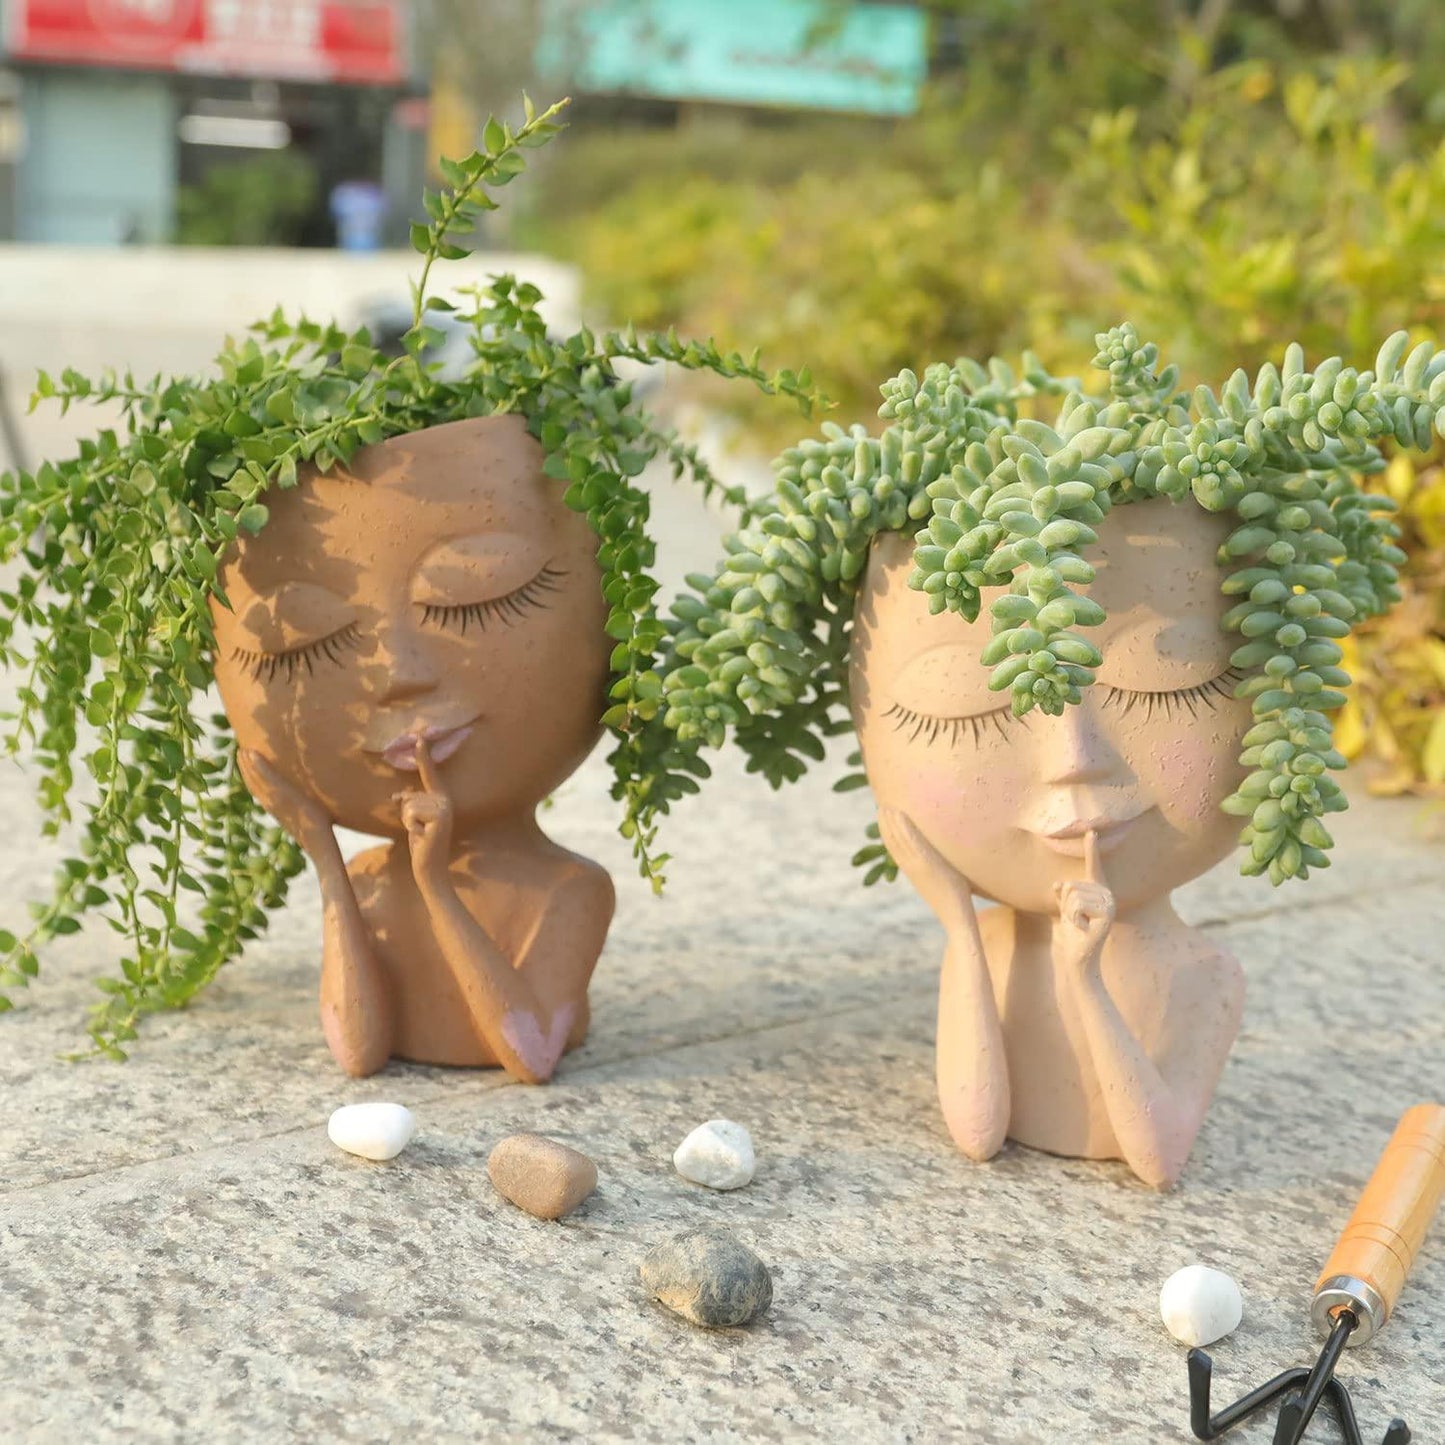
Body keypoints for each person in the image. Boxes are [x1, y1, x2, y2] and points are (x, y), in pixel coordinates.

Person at [853, 498, 1249, 1188]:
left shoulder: (1204, 975)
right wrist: (956, 924)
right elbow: (978, 1132)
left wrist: (1085, 977)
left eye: (1162, 681)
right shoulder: (993, 946)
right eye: (961, 700)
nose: (1071, 757)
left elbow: (1157, 1159)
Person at [209, 415, 615, 1078]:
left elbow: (530, 1052)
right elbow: (358, 1051)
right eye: (302, 644)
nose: (398, 672)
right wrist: (325, 854)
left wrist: (437, 885)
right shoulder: (370, 883)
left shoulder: (570, 889)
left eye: (474, 598)